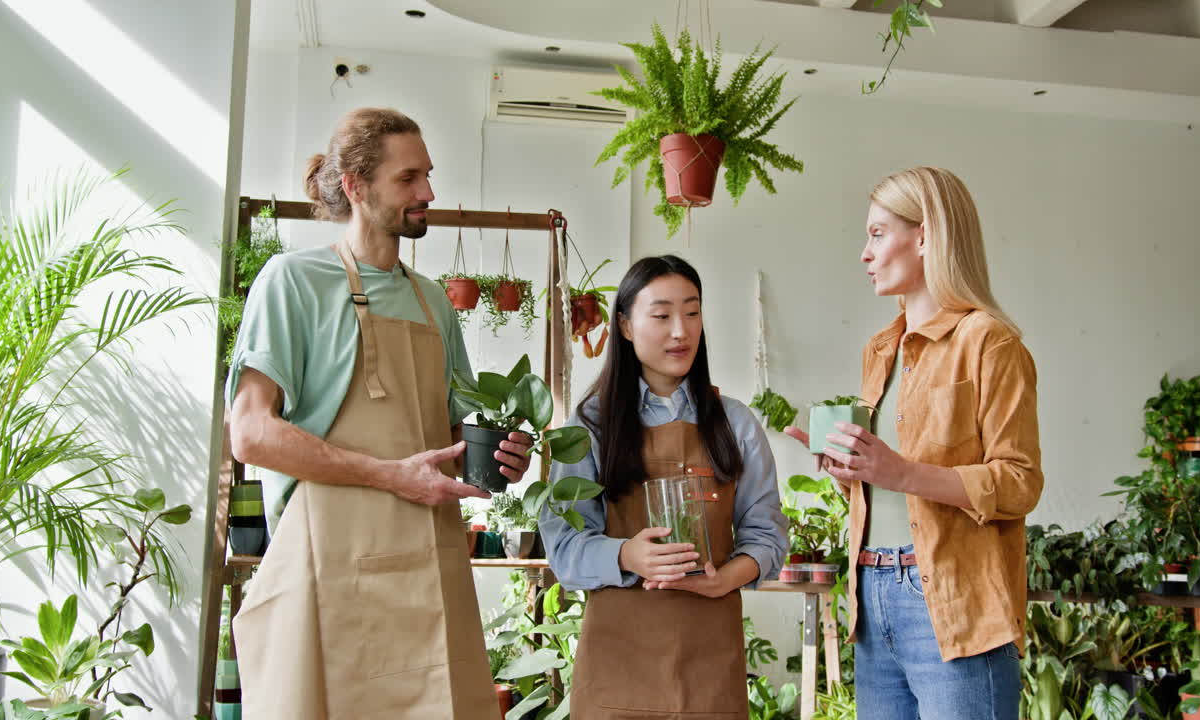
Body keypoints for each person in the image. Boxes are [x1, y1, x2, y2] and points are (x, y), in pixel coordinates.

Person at [227, 107, 532, 719]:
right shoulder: (293, 282)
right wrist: (390, 474)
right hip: (328, 567)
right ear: (355, 186)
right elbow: (251, 433)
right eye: (408, 178)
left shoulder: (434, 303)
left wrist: (501, 456)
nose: (428, 193)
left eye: (428, 175)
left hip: (431, 569)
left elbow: (453, 437)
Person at [786, 166, 1043, 719]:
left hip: (954, 604)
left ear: (926, 236)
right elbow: (890, 484)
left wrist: (900, 472)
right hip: (871, 596)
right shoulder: (880, 349)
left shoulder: (990, 342)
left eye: (878, 234)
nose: (865, 252)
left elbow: (1020, 483)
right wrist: (850, 470)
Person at [540, 255, 789, 718]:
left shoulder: (735, 423)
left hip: (709, 662)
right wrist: (626, 555)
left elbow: (767, 533)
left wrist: (726, 580)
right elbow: (563, 545)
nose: (681, 330)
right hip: (617, 663)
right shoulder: (590, 425)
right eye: (661, 315)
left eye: (692, 312)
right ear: (627, 326)